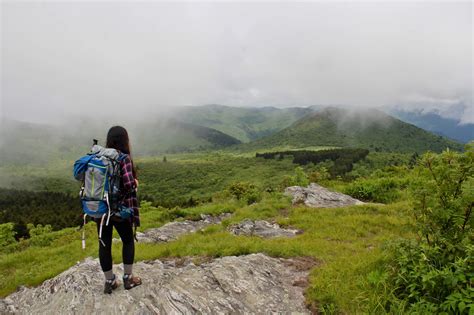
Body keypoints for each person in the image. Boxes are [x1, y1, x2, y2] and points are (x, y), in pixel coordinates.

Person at [98, 126, 142, 294]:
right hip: (119, 210)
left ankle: (109, 282)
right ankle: (128, 279)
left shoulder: (100, 156)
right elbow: (129, 184)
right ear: (125, 140)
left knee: (104, 244)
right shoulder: (123, 159)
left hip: (100, 209)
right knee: (128, 241)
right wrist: (136, 183)